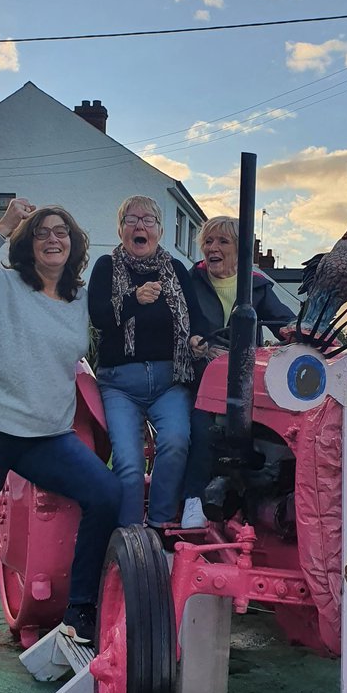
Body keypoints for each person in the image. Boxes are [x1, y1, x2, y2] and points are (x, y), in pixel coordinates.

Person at [0, 198, 121, 689]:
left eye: (61, 232)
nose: (52, 239)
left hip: (45, 437)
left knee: (106, 493)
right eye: (41, 233)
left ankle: (79, 612)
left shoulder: (81, 299)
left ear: (73, 244)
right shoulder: (3, 285)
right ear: (28, 245)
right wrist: (2, 226)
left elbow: (124, 322)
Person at [88, 196, 208, 528]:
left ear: (159, 230)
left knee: (176, 443)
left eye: (148, 220)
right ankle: (128, 539)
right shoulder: (106, 266)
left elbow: (195, 318)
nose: (140, 225)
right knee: (128, 466)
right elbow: (98, 317)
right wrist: (132, 299)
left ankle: (159, 526)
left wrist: (197, 340)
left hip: (170, 381)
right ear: (121, 229)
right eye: (131, 219)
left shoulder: (176, 270)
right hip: (119, 384)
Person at [181, 215, 295, 528]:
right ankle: (193, 499)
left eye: (222, 241)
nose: (213, 248)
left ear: (240, 249)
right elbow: (180, 325)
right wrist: (196, 344)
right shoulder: (189, 283)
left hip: (243, 382)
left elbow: (283, 321)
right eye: (208, 241)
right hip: (200, 377)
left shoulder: (256, 286)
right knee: (202, 429)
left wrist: (299, 331)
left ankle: (260, 498)